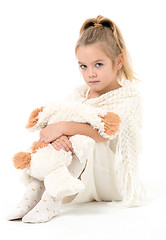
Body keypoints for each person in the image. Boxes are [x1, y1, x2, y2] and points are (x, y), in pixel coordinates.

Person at [8, 15, 146, 223]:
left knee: (82, 138)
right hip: (82, 178)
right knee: (52, 146)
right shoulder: (78, 95)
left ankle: (51, 201)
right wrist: (58, 138)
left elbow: (106, 133)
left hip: (112, 180)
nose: (90, 74)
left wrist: (64, 128)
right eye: (83, 66)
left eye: (98, 64)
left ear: (118, 61)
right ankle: (33, 194)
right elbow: (54, 126)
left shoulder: (128, 97)